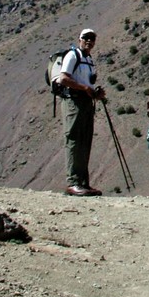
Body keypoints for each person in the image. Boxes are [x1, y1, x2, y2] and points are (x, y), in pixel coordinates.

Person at [53, 28, 106, 196]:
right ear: (80, 39)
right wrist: (84, 88)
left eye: (92, 38)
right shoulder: (73, 55)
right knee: (74, 140)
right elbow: (64, 78)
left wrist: (94, 93)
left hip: (85, 102)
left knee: (85, 140)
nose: (89, 41)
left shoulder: (88, 59)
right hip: (73, 101)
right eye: (86, 38)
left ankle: (83, 182)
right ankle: (73, 182)